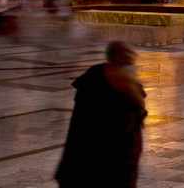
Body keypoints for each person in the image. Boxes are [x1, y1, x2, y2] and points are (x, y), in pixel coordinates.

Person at [54, 42, 146, 188]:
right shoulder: (99, 81)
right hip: (104, 159)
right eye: (128, 56)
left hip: (106, 159)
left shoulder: (100, 77)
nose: (133, 59)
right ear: (117, 58)